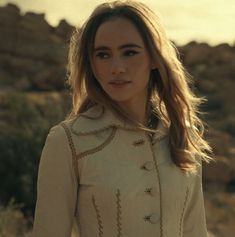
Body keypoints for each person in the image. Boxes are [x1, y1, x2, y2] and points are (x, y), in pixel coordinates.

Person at [32, 1, 212, 237]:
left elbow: (194, 231)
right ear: (91, 64)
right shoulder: (68, 141)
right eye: (103, 54)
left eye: (130, 52)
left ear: (155, 59)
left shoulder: (182, 136)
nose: (116, 67)